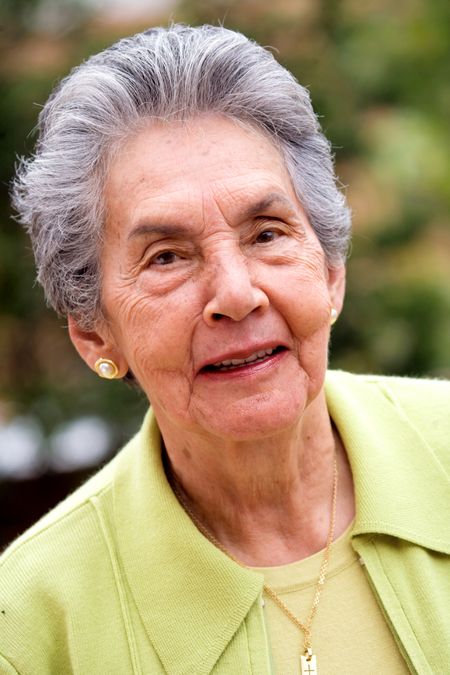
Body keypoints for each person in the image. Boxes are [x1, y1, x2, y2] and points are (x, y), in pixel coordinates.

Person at [1, 24, 449, 675]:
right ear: (95, 333)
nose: (236, 295)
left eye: (267, 233)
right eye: (167, 256)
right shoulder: (32, 625)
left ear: (330, 271)